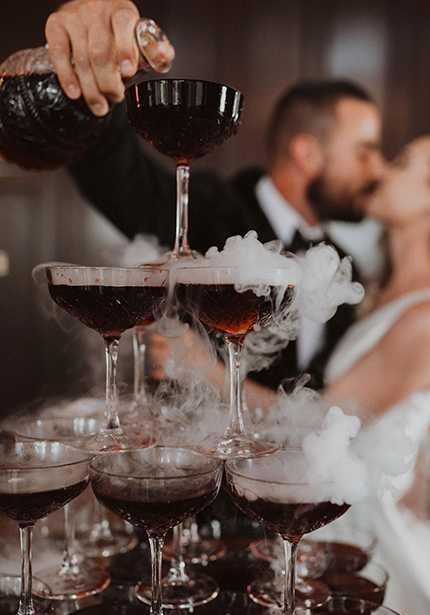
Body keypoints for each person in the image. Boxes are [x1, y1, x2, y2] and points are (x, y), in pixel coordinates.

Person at [44, 0, 385, 391]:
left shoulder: (348, 268)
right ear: (306, 153)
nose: (378, 169)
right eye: (365, 151)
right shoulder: (203, 210)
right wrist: (91, 63)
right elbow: (111, 172)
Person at [308, 131, 430, 615]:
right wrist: (414, 444)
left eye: (403, 162)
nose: (381, 169)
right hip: (340, 490)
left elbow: (320, 417)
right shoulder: (385, 288)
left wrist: (205, 371)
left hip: (361, 517)